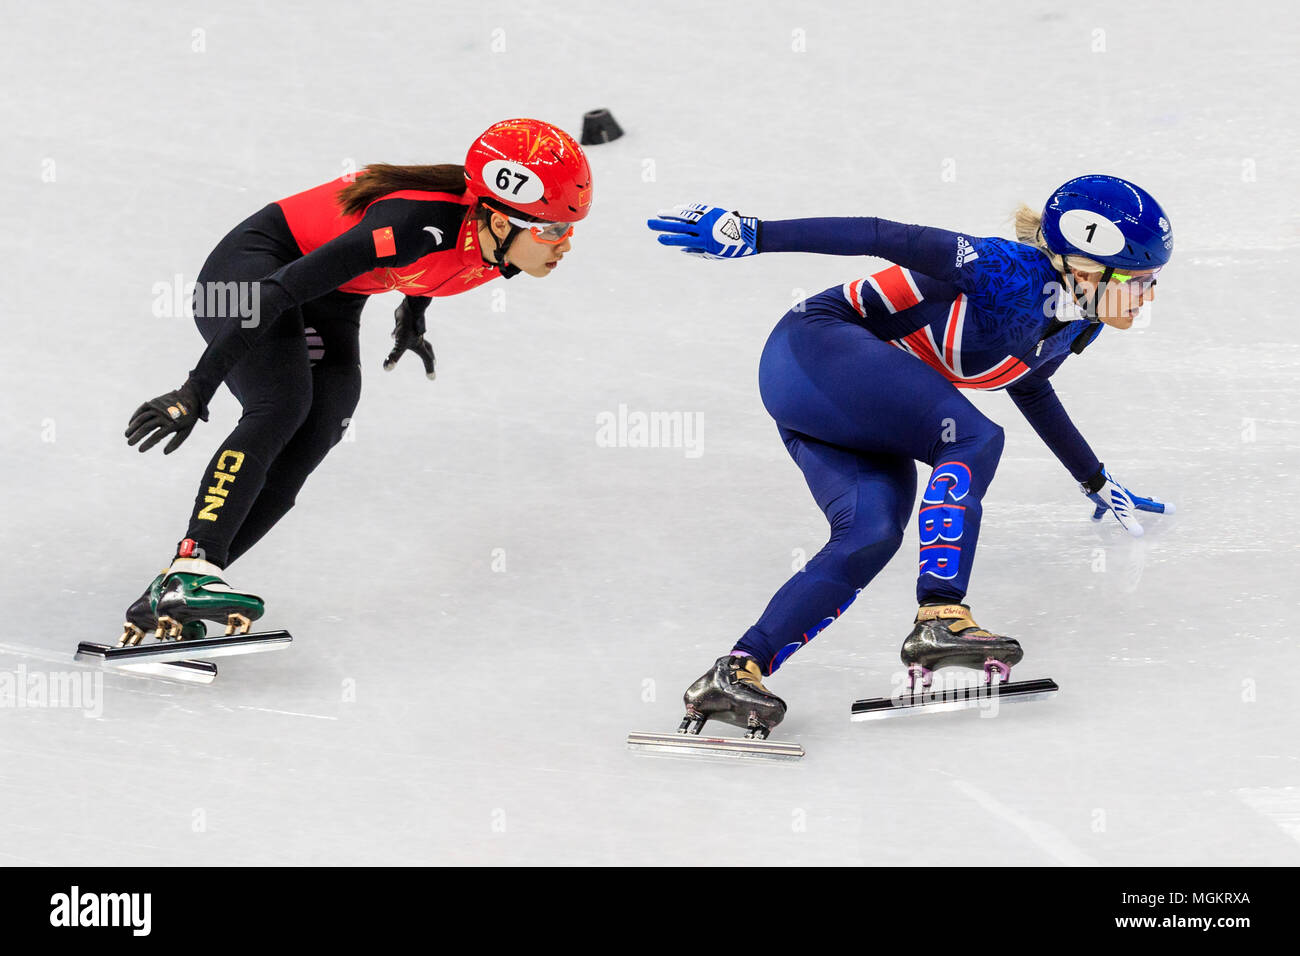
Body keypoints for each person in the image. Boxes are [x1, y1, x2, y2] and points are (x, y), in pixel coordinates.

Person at [647, 175, 1173, 737]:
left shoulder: (1071, 324)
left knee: (870, 533)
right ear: (1087, 268)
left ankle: (737, 671)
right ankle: (942, 615)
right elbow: (882, 233)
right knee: (973, 438)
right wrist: (753, 233)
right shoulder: (1008, 271)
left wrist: (1094, 479)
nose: (1149, 295)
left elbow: (1031, 387)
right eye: (1140, 280)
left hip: (836, 403)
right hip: (816, 348)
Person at [120, 118, 592, 644]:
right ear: (500, 221)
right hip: (248, 278)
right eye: (551, 229)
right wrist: (195, 391)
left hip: (330, 295)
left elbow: (440, 262)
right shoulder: (413, 223)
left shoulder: (493, 240)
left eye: (567, 228)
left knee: (324, 421)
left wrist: (413, 316)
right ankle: (193, 567)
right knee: (282, 404)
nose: (564, 243)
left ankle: (181, 584)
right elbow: (278, 292)